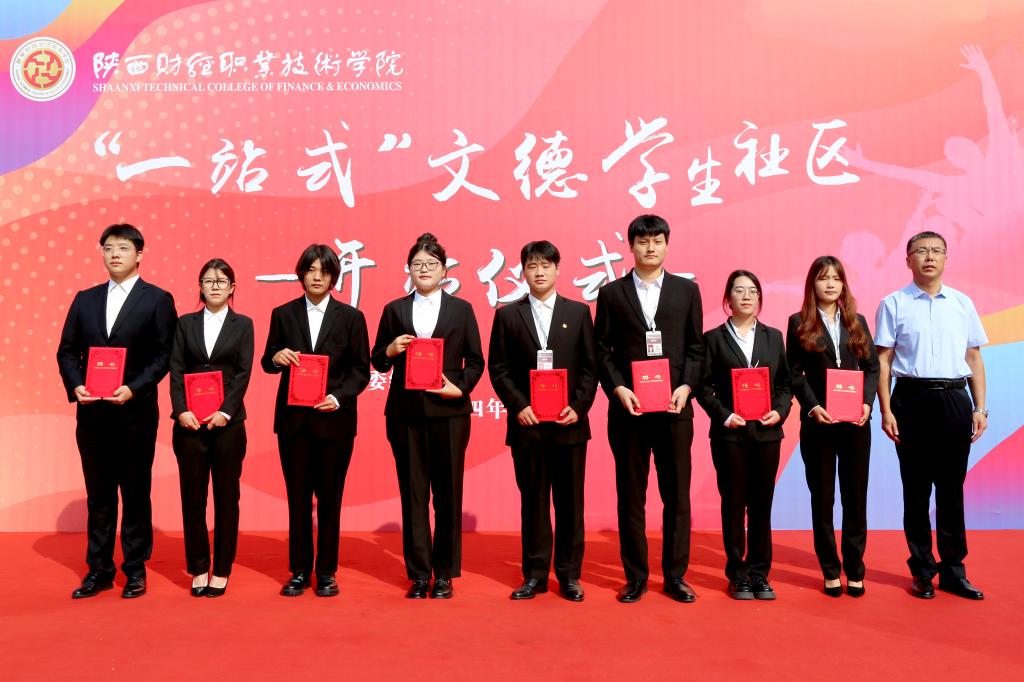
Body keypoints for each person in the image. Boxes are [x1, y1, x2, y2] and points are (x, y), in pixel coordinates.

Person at [56, 223, 177, 599]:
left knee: (136, 492)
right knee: (99, 494)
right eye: (108, 248)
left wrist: (134, 387)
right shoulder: (85, 299)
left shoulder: (157, 299)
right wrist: (76, 385)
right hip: (92, 415)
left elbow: (165, 354)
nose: (114, 254)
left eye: (123, 248)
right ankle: (99, 570)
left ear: (139, 254)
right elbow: (67, 351)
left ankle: (135, 569)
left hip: (134, 413)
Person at [594, 214, 704, 603]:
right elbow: (602, 351)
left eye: (657, 241)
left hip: (675, 410)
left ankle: (675, 575)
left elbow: (696, 348)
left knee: (677, 496)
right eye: (643, 241)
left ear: (667, 245)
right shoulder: (611, 294)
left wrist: (687, 387)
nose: (650, 247)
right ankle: (636, 576)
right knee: (631, 496)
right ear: (631, 247)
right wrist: (618, 388)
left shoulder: (686, 291)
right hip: (630, 413)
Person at [875, 231, 988, 600]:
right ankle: (923, 570)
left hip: (955, 398)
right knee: (916, 489)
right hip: (911, 399)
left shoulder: (962, 303)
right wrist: (886, 410)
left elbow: (973, 358)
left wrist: (979, 407)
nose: (929, 257)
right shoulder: (893, 303)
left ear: (946, 259)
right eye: (921, 251)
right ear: (907, 259)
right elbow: (884, 361)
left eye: (937, 251)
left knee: (952, 490)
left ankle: (954, 571)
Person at [370, 233, 485, 599]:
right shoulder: (395, 310)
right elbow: (377, 360)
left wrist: (460, 388)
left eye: (431, 264)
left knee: (448, 494)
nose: (424, 269)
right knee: (413, 494)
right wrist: (390, 349)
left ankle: (445, 574)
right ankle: (420, 574)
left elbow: (476, 360)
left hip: (449, 413)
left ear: (444, 270)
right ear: (408, 269)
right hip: (405, 414)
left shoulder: (461, 310)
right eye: (417, 264)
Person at [488, 241, 598, 602]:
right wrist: (518, 405)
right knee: (533, 502)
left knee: (570, 504)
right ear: (523, 271)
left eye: (546, 265)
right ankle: (534, 575)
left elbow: (590, 367)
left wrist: (579, 407)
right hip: (528, 426)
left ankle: (569, 575)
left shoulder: (578, 313)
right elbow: (499, 368)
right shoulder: (508, 315)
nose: (539, 272)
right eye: (532, 266)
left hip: (569, 425)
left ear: (557, 269)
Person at [261, 244, 370, 598]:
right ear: (301, 274)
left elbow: (361, 371)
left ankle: (326, 572)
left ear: (334, 276)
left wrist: (337, 398)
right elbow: (266, 361)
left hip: (334, 422)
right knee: (297, 499)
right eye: (311, 270)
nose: (317, 277)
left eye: (324, 271)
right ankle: (298, 570)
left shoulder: (351, 317)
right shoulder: (283, 314)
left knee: (330, 500)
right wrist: (276, 357)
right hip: (293, 424)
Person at [787, 256, 879, 598]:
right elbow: (794, 373)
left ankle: (854, 569)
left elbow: (872, 368)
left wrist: (867, 403)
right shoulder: (798, 322)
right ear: (812, 284)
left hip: (856, 424)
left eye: (836, 279)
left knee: (855, 499)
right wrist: (813, 407)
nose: (830, 284)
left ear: (843, 284)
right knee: (823, 499)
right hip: (819, 424)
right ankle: (829, 569)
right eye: (823, 278)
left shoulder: (857, 321)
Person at [697, 270, 791, 600]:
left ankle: (760, 573)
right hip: (731, 435)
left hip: (767, 433)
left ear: (760, 298)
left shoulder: (773, 336)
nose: (747, 296)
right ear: (728, 299)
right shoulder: (713, 339)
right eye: (739, 290)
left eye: (752, 291)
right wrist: (724, 415)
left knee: (762, 505)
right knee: (734, 504)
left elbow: (785, 384)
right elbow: (702, 386)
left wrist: (780, 411)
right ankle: (738, 574)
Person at [169, 259, 254, 598]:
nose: (215, 286)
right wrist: (181, 410)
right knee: (193, 498)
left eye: (221, 281)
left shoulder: (243, 324)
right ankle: (199, 567)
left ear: (232, 287)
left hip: (227, 426)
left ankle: (221, 568)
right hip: (189, 425)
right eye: (208, 281)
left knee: (226, 498)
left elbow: (244, 372)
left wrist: (226, 411)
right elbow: (176, 369)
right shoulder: (184, 324)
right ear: (200, 287)